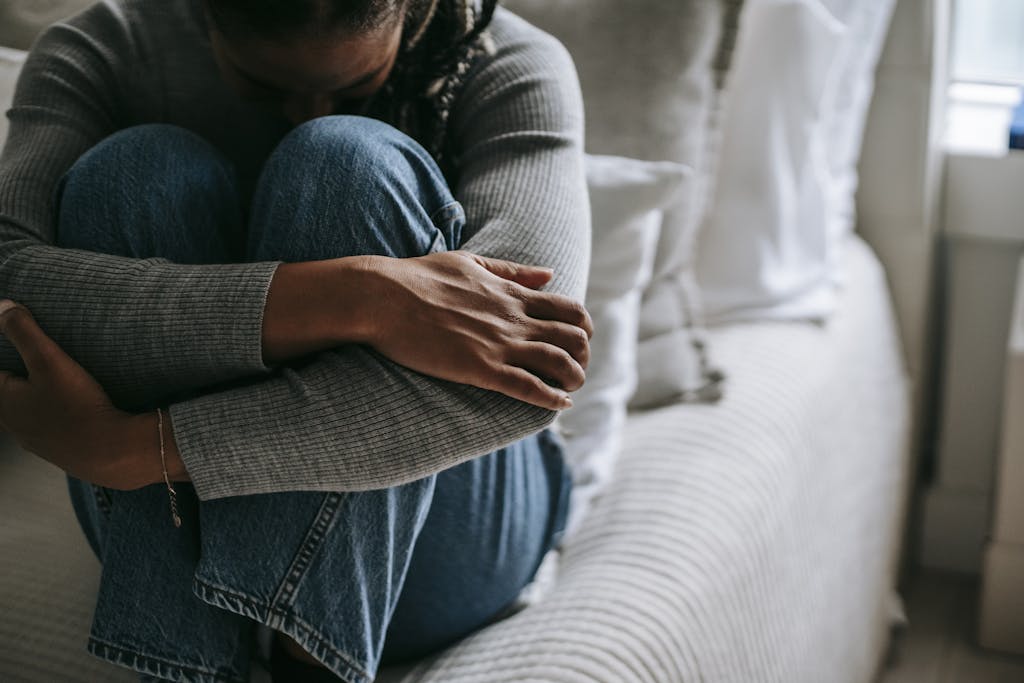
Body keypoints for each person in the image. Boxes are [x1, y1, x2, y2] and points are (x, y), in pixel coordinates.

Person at [0, 0, 591, 680]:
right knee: (133, 174)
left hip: (442, 528)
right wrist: (364, 296)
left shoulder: (506, 63)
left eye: (357, 86)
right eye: (264, 87)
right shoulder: (103, 48)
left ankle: (311, 664)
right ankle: (187, 659)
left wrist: (139, 449)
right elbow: (8, 289)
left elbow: (534, 378)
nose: (305, 111)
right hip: (172, 519)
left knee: (345, 161)